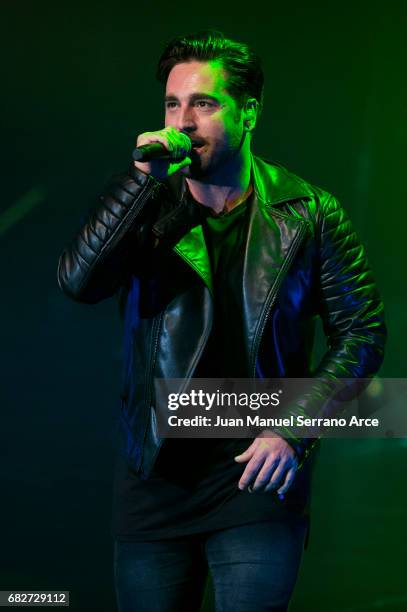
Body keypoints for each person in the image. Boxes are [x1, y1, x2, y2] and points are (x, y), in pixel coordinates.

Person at [57, 30, 386, 612]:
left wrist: (293, 427)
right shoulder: (146, 205)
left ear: (249, 111)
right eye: (172, 104)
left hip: (255, 478)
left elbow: (362, 331)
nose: (182, 122)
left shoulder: (308, 212)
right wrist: (139, 185)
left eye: (203, 104)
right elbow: (79, 282)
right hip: (155, 480)